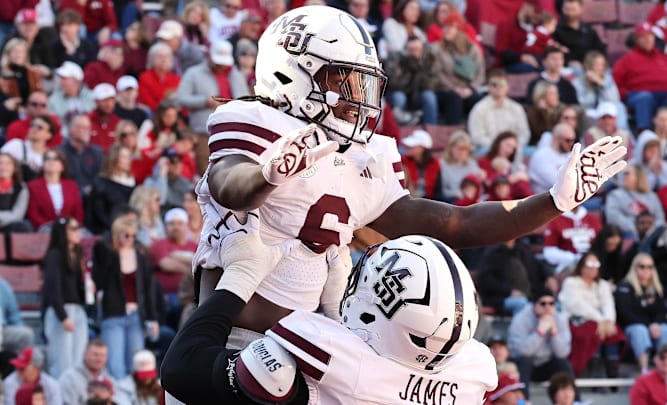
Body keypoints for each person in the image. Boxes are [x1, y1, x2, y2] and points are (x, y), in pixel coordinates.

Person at [191, 4, 625, 365]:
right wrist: (267, 174)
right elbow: (229, 183)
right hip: (232, 343)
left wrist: (553, 201)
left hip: (317, 349)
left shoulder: (361, 155)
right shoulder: (254, 121)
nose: (356, 95)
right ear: (291, 72)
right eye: (342, 80)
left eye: (361, 81)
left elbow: (456, 224)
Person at [162, 234, 499, 404]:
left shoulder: (325, 353)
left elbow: (181, 369)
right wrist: (337, 313)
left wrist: (241, 277)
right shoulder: (473, 373)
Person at [92, 216, 158, 379]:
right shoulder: (107, 254)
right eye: (126, 235)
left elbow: (147, 290)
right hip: (114, 314)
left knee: (135, 363)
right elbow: (99, 278)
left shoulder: (140, 257)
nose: (130, 239)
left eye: (133, 235)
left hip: (136, 315)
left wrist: (151, 318)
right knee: (115, 365)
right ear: (117, 234)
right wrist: (113, 250)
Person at [558, 252, 622, 378]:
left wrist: (608, 321)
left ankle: (612, 373)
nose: (593, 268)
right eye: (589, 264)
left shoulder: (602, 284)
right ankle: (594, 373)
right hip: (576, 321)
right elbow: (577, 306)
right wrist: (600, 320)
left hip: (600, 323)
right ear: (581, 266)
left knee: (614, 332)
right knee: (592, 330)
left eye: (596, 264)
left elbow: (608, 304)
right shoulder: (571, 282)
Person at [615, 253, 667, 373]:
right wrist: (648, 325)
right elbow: (625, 313)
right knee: (639, 330)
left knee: (664, 328)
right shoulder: (625, 286)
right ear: (635, 268)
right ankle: (644, 369)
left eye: (650, 267)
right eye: (642, 266)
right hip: (631, 327)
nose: (646, 270)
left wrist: (656, 324)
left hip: (651, 327)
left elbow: (662, 312)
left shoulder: (657, 288)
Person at [42, 217, 87, 378]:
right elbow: (52, 288)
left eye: (78, 228)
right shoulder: (55, 254)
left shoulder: (77, 255)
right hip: (61, 312)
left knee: (77, 359)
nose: (78, 232)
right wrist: (63, 316)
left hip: (77, 309)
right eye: (73, 229)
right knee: (62, 360)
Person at [508, 289, 573, 399]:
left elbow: (563, 353)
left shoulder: (560, 319)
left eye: (551, 303)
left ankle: (573, 400)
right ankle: (524, 401)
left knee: (563, 364)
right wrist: (539, 333)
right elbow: (521, 351)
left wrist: (554, 334)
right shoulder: (520, 319)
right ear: (534, 304)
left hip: (547, 364)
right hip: (524, 365)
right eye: (543, 303)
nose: (548, 307)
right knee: (525, 360)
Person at [176, 40, 250, 136]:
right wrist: (204, 101)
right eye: (218, 62)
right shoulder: (193, 73)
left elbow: (247, 99)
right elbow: (181, 98)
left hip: (234, 129)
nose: (221, 66)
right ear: (209, 56)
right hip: (205, 131)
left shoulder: (236, 75)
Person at [612, 22, 667, 131]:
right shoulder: (627, 60)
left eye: (650, 36)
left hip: (663, 94)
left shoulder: (664, 59)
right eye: (643, 36)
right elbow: (615, 82)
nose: (648, 39)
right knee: (645, 97)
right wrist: (625, 95)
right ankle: (644, 133)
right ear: (636, 39)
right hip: (637, 95)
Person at [432, 10, 485, 125]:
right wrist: (453, 88)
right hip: (445, 90)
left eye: (450, 27)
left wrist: (470, 89)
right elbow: (437, 74)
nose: (446, 30)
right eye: (444, 27)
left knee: (478, 100)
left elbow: (480, 73)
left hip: (468, 89)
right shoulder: (437, 49)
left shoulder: (472, 48)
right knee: (454, 99)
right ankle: (451, 133)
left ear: (459, 30)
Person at [467, 68, 531, 149]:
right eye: (494, 84)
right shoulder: (479, 109)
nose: (498, 87)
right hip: (489, 150)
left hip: (513, 149)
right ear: (488, 87)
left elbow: (524, 133)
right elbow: (477, 138)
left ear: (508, 86)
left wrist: (513, 145)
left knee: (534, 152)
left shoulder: (517, 108)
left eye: (502, 83)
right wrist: (499, 147)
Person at [384, 36, 439, 126]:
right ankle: (396, 129)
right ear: (406, 49)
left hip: (417, 95)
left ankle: (431, 129)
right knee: (399, 97)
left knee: (429, 96)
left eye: (417, 49)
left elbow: (433, 82)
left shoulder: (428, 59)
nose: (415, 52)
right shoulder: (396, 58)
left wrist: (419, 72)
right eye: (411, 49)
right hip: (400, 93)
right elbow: (391, 83)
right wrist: (408, 71)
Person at [26, 150, 84, 230]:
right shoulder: (33, 186)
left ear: (62, 166)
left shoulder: (72, 186)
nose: (51, 161)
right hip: (45, 229)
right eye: (47, 158)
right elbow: (33, 213)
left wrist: (72, 226)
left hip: (70, 229)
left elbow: (78, 212)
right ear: (43, 164)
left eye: (55, 159)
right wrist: (50, 228)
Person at [604, 164, 665, 239]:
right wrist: (637, 227)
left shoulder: (652, 196)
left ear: (638, 176)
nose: (624, 176)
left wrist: (651, 230)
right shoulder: (615, 195)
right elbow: (613, 218)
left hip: (653, 235)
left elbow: (660, 219)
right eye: (623, 174)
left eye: (627, 173)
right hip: (627, 235)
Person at [571, 51, 628, 131]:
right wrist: (589, 84)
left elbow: (615, 99)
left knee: (619, 106)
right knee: (590, 115)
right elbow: (584, 102)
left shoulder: (607, 78)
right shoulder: (578, 81)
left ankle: (622, 134)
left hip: (604, 108)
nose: (600, 68)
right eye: (597, 64)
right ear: (589, 65)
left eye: (602, 65)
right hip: (589, 110)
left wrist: (601, 84)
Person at [85, 145, 135, 234]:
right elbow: (99, 214)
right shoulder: (101, 184)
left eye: (129, 157)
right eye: (124, 157)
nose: (128, 160)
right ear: (114, 159)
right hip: (109, 230)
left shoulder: (133, 182)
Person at [58, 114, 104, 200]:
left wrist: (90, 188)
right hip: (66, 195)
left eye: (86, 128)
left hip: (92, 197)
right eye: (78, 127)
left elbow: (100, 176)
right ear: (69, 128)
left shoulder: (96, 152)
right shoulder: (59, 152)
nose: (82, 131)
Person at [0, 114, 55, 181]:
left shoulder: (50, 156)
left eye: (39, 127)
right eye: (32, 125)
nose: (34, 128)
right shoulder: (16, 145)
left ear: (49, 135)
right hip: (14, 188)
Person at [58, 339, 114, 405]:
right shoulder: (69, 378)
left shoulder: (110, 380)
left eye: (103, 356)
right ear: (85, 355)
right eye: (95, 355)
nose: (99, 359)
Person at [552, 0, 606, 66]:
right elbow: (552, 53)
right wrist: (568, 62)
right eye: (567, 9)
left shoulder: (589, 30)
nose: (570, 13)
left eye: (573, 10)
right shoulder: (556, 30)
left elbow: (599, 49)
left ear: (581, 8)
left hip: (590, 67)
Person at [47, 62, 95, 131]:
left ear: (76, 80)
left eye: (64, 78)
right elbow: (54, 125)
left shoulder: (91, 97)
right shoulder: (53, 100)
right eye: (61, 78)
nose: (61, 82)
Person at [528, 123, 574, 194]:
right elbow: (558, 183)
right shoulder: (541, 156)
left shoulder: (569, 155)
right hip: (543, 200)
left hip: (565, 199)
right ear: (556, 138)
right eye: (567, 140)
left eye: (573, 140)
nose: (571, 143)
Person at [438, 131, 481, 203]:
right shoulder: (442, 164)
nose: (462, 152)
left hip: (471, 202)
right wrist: (454, 193)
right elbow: (441, 191)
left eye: (465, 149)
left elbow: (478, 189)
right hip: (451, 201)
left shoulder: (472, 165)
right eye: (459, 148)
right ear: (451, 148)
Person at [137, 43, 180, 112]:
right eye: (160, 56)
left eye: (167, 56)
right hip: (154, 115)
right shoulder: (145, 77)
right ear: (152, 59)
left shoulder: (177, 80)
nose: (164, 60)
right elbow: (147, 102)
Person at [400, 129, 442, 200]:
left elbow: (438, 190)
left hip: (431, 202)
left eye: (413, 146)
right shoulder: (403, 161)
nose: (409, 147)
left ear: (422, 148)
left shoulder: (435, 163)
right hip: (409, 200)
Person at [0, 276, 34, 354]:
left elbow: (14, 317)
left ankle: (20, 365)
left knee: (25, 334)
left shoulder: (3, 285)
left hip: (3, 330)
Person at [0, 152, 31, 233]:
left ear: (14, 167)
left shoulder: (21, 188)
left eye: (8, 164)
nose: (3, 167)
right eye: (0, 163)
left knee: (24, 226)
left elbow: (18, 214)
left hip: (10, 224)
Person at [88, 83, 122, 153]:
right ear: (96, 101)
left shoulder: (118, 123)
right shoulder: (86, 121)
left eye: (111, 100)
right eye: (104, 100)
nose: (109, 104)